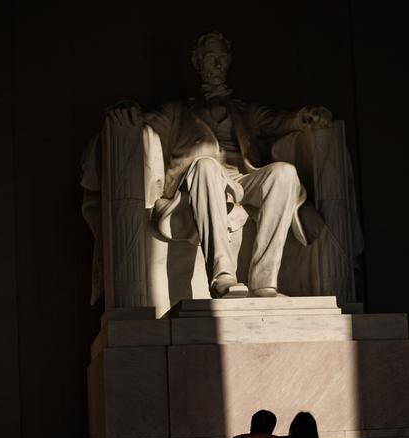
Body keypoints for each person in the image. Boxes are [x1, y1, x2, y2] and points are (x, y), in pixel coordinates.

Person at [106, 31, 332, 298]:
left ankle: (264, 283)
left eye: (222, 58)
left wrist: (308, 117)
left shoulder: (247, 112)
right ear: (197, 62)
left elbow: (284, 121)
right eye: (210, 58)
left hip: (242, 181)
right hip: (197, 184)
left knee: (284, 173)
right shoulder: (177, 111)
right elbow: (143, 120)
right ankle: (222, 276)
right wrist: (126, 107)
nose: (217, 64)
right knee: (206, 165)